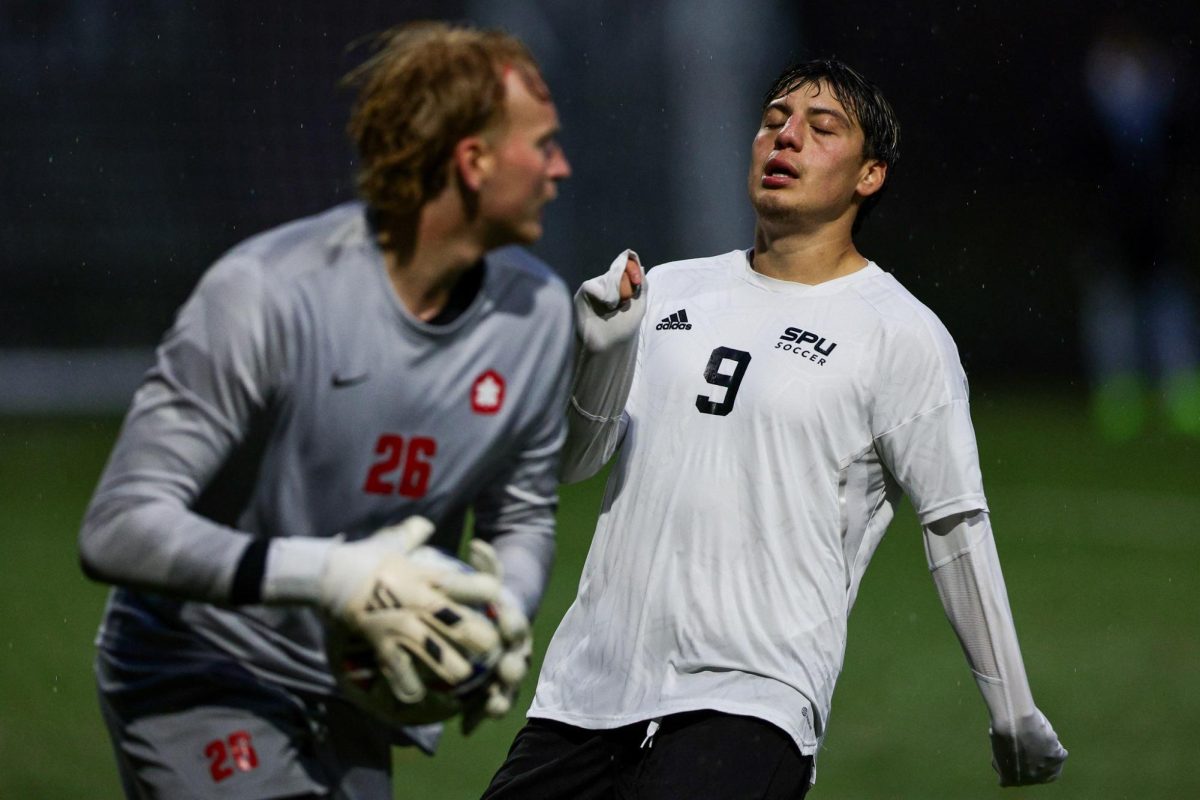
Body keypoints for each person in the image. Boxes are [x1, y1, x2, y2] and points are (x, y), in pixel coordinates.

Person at [483, 58, 1068, 798]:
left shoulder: (900, 333)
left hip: (750, 705)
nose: (785, 137)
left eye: (821, 128)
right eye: (773, 121)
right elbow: (574, 462)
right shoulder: (668, 289)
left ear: (870, 176)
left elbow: (956, 524)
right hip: (584, 693)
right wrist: (599, 353)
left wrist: (1011, 709)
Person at [78, 21, 573, 800]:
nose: (561, 168)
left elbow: (522, 515)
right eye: (542, 145)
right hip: (200, 671)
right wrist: (330, 573)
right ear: (473, 163)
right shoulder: (264, 293)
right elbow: (118, 527)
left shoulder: (541, 316)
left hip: (355, 691)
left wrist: (503, 608)